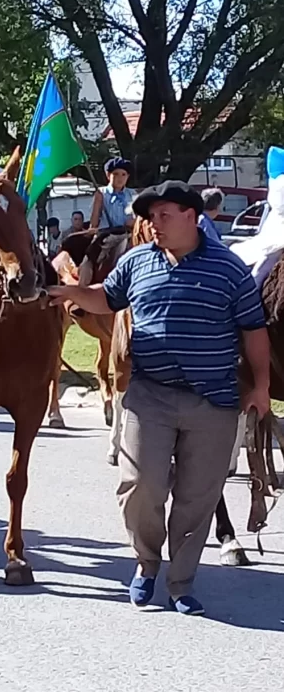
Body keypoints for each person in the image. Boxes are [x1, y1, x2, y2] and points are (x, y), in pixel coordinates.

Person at [49, 180, 270, 616]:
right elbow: (107, 298)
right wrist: (71, 291)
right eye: (150, 217)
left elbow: (254, 332)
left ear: (192, 217)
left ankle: (181, 581)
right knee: (140, 485)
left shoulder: (229, 269)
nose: (154, 225)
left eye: (164, 215)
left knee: (196, 496)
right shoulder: (136, 262)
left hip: (213, 401)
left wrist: (260, 385)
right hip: (149, 395)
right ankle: (147, 563)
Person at [231, 146, 284, 290]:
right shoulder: (281, 182)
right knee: (267, 261)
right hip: (280, 231)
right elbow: (281, 205)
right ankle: (251, 293)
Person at [89, 158, 135, 230]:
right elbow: (94, 221)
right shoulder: (101, 193)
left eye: (123, 174)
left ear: (128, 176)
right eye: (116, 174)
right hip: (107, 234)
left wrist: (134, 221)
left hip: (128, 233)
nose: (120, 178)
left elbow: (140, 217)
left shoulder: (132, 194)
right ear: (108, 175)